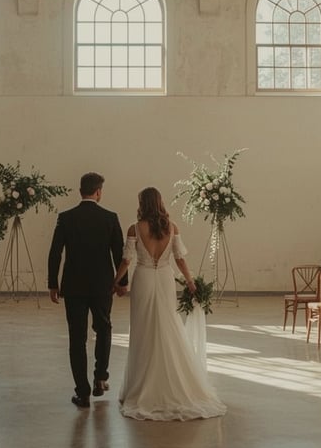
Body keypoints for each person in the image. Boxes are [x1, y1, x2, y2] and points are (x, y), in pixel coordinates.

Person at [113, 187, 226, 421]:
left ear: (142, 203)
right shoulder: (171, 227)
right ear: (160, 202)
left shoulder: (135, 228)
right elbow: (180, 258)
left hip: (143, 277)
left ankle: (141, 387)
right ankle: (173, 383)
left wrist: (115, 281)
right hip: (164, 278)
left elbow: (126, 259)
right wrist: (191, 283)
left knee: (143, 331)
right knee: (168, 325)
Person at [48, 172, 127, 408]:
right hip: (103, 285)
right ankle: (100, 377)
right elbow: (119, 253)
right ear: (99, 192)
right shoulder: (110, 218)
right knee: (103, 328)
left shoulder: (66, 218)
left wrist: (53, 283)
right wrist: (122, 282)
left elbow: (55, 253)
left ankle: (82, 393)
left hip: (73, 286)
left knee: (77, 337)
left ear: (80, 190)